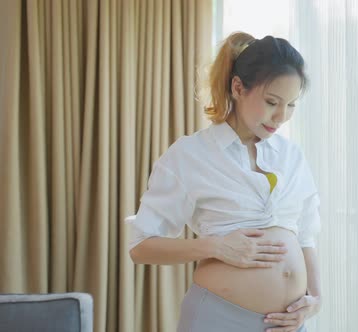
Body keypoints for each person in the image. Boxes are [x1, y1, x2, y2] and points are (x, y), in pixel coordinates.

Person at [125, 31, 322, 332]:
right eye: (272, 102)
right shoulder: (191, 155)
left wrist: (315, 300)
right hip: (218, 320)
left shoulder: (291, 156)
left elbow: (305, 236)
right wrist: (215, 247)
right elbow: (140, 246)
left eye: (292, 104)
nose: (281, 116)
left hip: (289, 324)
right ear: (238, 87)